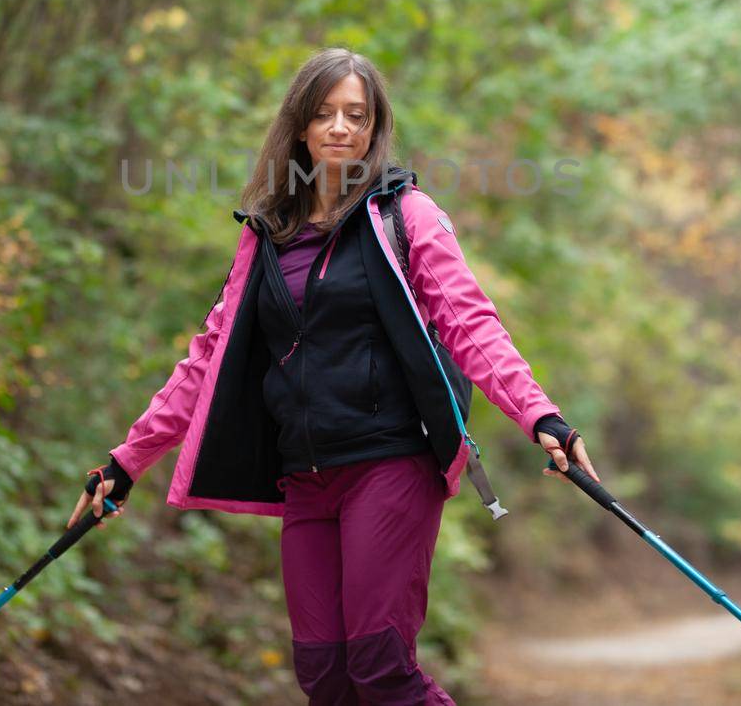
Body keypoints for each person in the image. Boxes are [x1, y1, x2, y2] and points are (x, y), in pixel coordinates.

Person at [70, 48, 599, 704]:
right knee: (325, 678)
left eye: (357, 114)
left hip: (391, 461)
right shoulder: (269, 234)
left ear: (376, 128)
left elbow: (472, 325)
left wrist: (540, 415)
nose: (341, 127)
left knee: (381, 668)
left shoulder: (407, 217)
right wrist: (127, 460)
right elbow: (205, 357)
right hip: (307, 478)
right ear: (300, 127)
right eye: (325, 114)